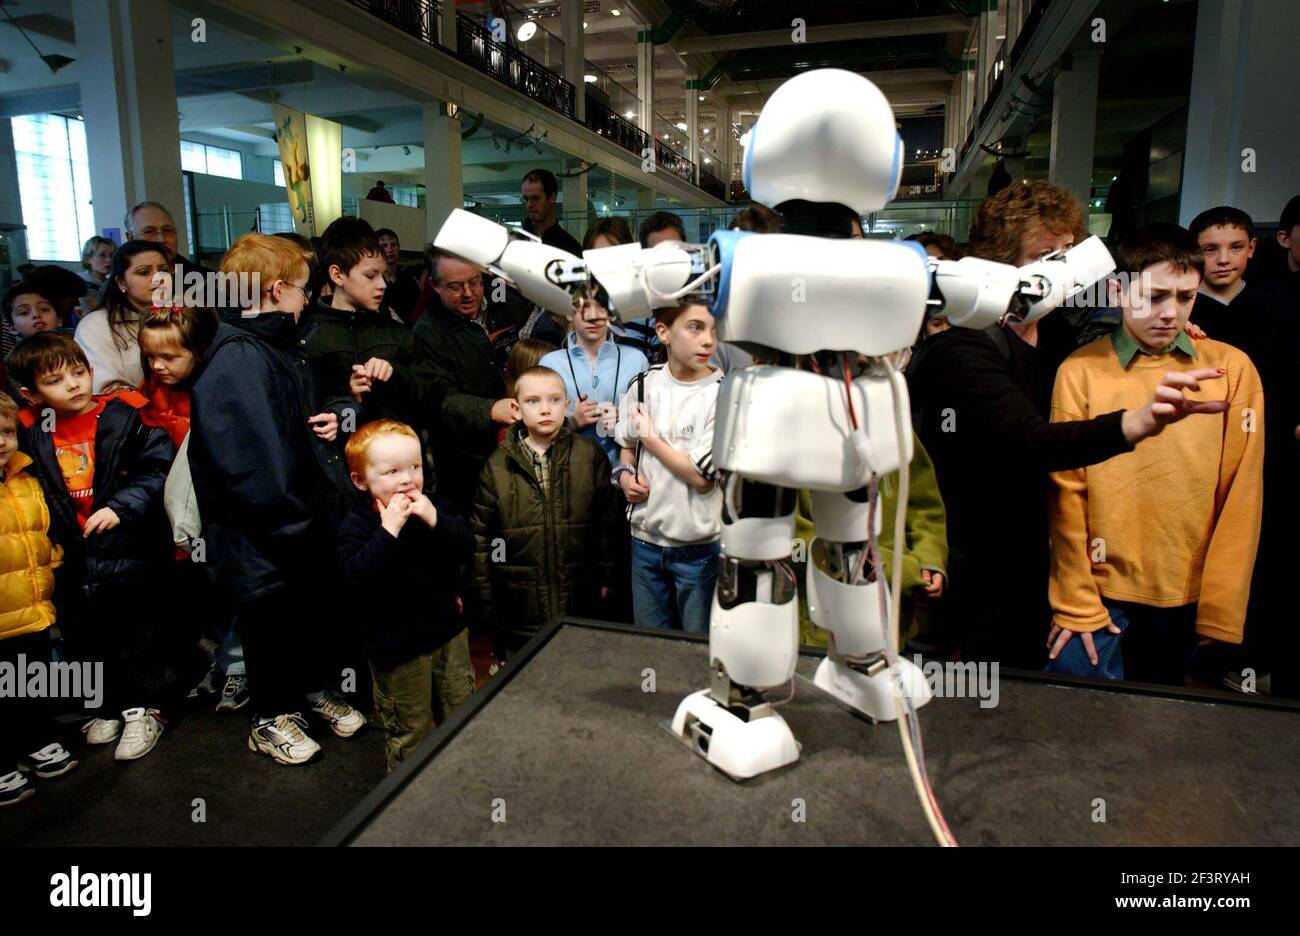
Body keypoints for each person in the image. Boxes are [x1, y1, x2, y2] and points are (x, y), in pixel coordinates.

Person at [908, 181, 1236, 667]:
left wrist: (1167, 323)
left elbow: (1114, 338)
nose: (1062, 269)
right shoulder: (965, 348)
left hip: (1036, 553)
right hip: (978, 559)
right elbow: (1032, 442)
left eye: (1067, 252)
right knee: (981, 693)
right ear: (1001, 265)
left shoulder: (1055, 329)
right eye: (1045, 255)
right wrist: (1136, 423)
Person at [1045, 224, 1262, 684]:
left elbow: (1242, 495)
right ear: (1121, 290)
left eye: (1185, 298)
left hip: (1190, 593)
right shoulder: (1080, 371)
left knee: (1165, 737)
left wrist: (1222, 605)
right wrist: (1076, 596)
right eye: (1155, 296)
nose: (1170, 313)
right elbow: (1066, 493)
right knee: (1082, 728)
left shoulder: (1231, 368)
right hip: (1103, 594)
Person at [189, 233, 365, 765]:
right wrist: (297, 526)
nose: (307, 299)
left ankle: (308, 694)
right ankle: (270, 718)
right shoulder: (238, 360)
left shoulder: (283, 347)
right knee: (270, 623)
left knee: (302, 618)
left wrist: (338, 416)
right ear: (274, 289)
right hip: (265, 532)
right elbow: (251, 465)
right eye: (301, 290)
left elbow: (316, 410)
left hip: (298, 522)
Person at [10, 333, 175, 761]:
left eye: (79, 372)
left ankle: (146, 710)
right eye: (56, 380)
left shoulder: (125, 415)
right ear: (31, 393)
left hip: (128, 546)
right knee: (85, 637)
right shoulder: (28, 430)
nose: (73, 384)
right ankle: (109, 706)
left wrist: (123, 505)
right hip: (72, 555)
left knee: (136, 634)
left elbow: (158, 468)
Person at [338, 419, 474, 772]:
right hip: (396, 649)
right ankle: (409, 798)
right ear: (360, 481)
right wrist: (389, 531)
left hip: (447, 633)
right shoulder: (357, 526)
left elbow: (465, 545)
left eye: (415, 467)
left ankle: (461, 776)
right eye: (392, 471)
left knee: (461, 711)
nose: (408, 479)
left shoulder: (432, 504)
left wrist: (436, 520)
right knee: (410, 730)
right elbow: (357, 579)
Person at [472, 366, 620, 657]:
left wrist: (608, 576)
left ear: (567, 405)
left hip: (580, 596)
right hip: (518, 605)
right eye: (533, 401)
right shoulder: (498, 466)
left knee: (578, 671)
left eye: (554, 400)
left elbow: (607, 524)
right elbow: (481, 538)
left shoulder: (589, 457)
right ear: (516, 408)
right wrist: (486, 599)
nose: (545, 410)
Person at [613, 299, 723, 632]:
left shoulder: (720, 393)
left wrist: (651, 437)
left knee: (697, 649)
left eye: (713, 331)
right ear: (663, 332)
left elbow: (701, 478)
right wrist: (623, 476)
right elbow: (626, 448)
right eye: (695, 328)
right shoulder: (643, 386)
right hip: (644, 544)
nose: (708, 340)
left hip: (697, 551)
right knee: (651, 644)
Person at [0, 391, 77, 806]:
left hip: (29, 609)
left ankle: (34, 738)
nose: (0, 442)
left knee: (28, 680)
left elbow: (39, 533)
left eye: (7, 432)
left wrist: (53, 563)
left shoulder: (26, 479)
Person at [412, 248, 523, 514]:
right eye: (455, 287)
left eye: (475, 282)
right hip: (466, 462)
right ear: (434, 286)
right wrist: (490, 409)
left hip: (516, 446)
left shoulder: (502, 306)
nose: (469, 293)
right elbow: (440, 401)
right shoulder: (427, 334)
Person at [306, 218, 428, 442]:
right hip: (342, 463)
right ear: (337, 275)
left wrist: (394, 373)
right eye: (370, 276)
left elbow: (424, 399)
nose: (381, 284)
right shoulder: (310, 337)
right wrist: (347, 395)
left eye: (382, 275)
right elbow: (307, 411)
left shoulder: (397, 332)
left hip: (397, 460)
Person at [539, 285, 649, 467]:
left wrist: (623, 424)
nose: (593, 316)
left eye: (601, 306)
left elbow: (655, 427)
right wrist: (573, 421)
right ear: (569, 312)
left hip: (624, 476)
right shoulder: (550, 364)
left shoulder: (636, 361)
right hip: (568, 474)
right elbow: (536, 429)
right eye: (584, 307)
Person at [74, 240, 171, 393]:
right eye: (144, 272)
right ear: (121, 283)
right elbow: (107, 390)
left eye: (164, 270)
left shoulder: (185, 317)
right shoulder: (96, 326)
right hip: (128, 413)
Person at [521, 168, 582, 255]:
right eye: (526, 199)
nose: (529, 205)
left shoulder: (569, 247)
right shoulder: (516, 242)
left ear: (552, 197)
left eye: (535, 198)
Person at [375, 227, 421, 325]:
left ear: (399, 247)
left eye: (393, 245)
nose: (389, 249)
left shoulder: (409, 280)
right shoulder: (373, 282)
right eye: (384, 246)